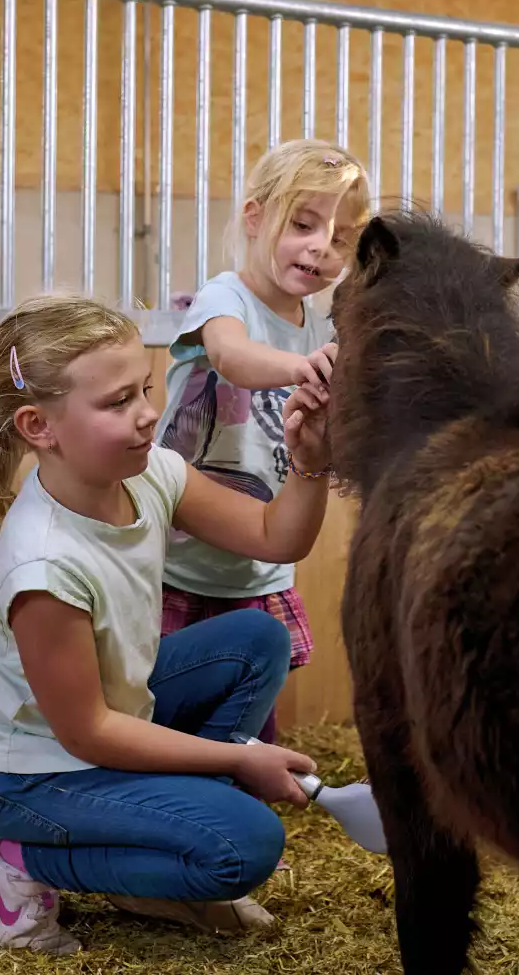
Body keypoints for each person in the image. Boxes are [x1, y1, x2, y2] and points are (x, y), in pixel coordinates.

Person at [0, 292, 336, 955]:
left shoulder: (150, 471)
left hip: (102, 719)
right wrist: (240, 759)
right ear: (39, 427)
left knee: (256, 639)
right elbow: (90, 732)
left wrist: (310, 457)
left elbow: (276, 537)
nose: (148, 413)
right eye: (117, 402)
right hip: (24, 774)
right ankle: (10, 859)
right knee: (243, 847)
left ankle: (157, 860)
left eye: (146, 389)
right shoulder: (43, 563)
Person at [157, 139, 369, 746]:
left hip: (258, 573)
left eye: (339, 239)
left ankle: (239, 810)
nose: (319, 248)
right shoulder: (228, 297)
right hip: (178, 565)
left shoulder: (322, 329)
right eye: (303, 224)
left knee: (247, 725)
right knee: (169, 716)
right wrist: (305, 369)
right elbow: (232, 356)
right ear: (255, 217)